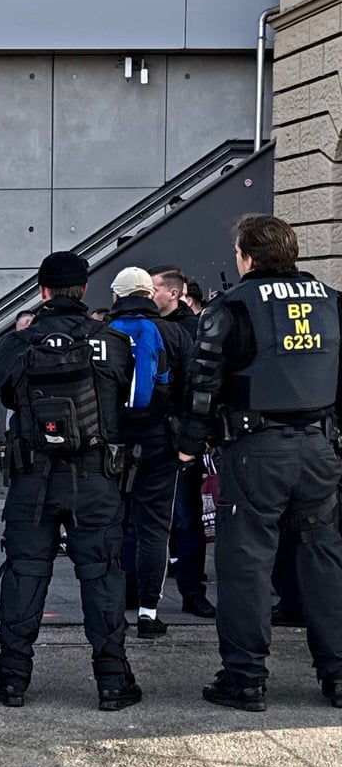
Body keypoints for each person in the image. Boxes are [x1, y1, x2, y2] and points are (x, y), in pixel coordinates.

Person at [178, 214, 342, 711]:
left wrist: (189, 444)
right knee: (324, 560)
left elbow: (203, 387)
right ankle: (336, 675)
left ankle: (245, 678)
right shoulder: (332, 303)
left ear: (247, 257)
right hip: (320, 449)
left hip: (255, 451)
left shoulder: (231, 308)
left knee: (245, 564)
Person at [0, 251, 141, 711]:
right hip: (96, 478)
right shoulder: (112, 342)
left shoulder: (15, 344)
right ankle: (112, 680)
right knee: (102, 576)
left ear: (42, 291)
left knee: (25, 574)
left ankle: (12, 677)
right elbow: (126, 403)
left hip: (33, 478)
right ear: (85, 290)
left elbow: (6, 393)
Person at [105, 268, 194, 635]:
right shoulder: (174, 333)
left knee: (111, 523)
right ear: (149, 294)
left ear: (117, 296)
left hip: (111, 443)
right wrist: (190, 443)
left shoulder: (102, 334)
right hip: (161, 441)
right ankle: (148, 612)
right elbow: (192, 389)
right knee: (155, 528)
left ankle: (109, 606)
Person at [150, 265, 215, 619]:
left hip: (179, 436)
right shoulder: (149, 326)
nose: (149, 294)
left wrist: (193, 438)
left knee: (187, 519)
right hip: (154, 432)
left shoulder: (192, 330)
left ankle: (193, 591)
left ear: (174, 293)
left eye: (154, 288)